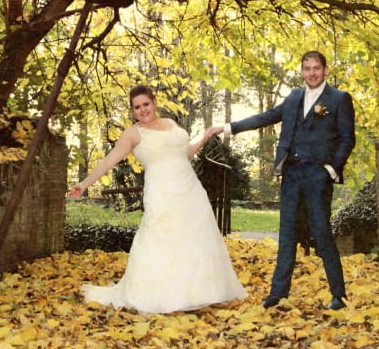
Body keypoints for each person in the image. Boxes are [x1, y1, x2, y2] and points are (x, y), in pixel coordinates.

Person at [69, 84, 247, 314]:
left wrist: (203, 137)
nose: (143, 110)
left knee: (195, 239)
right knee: (162, 238)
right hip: (162, 193)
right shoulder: (133, 134)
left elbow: (182, 155)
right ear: (132, 111)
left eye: (146, 104)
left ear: (154, 103)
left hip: (190, 190)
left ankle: (196, 293)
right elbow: (108, 161)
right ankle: (163, 296)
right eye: (137, 107)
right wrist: (83, 184)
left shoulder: (171, 124)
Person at [208, 51, 355, 311]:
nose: (312, 73)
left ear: (325, 70)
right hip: (291, 175)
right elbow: (266, 117)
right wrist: (228, 127)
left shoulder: (339, 99)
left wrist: (331, 169)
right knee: (286, 234)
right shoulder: (295, 97)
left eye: (316, 68)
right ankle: (278, 293)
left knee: (321, 234)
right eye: (307, 68)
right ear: (302, 71)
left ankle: (338, 295)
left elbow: (347, 138)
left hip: (318, 176)